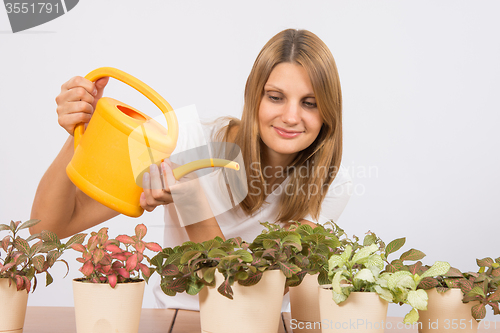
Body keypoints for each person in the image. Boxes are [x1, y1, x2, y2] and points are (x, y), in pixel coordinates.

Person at [30, 28, 353, 309]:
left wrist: (192, 202)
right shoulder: (182, 140)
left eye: (309, 103)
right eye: (276, 97)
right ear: (254, 97)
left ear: (328, 111)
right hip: (172, 320)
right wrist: (80, 132)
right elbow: (49, 228)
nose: (292, 116)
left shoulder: (331, 184)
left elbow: (249, 296)